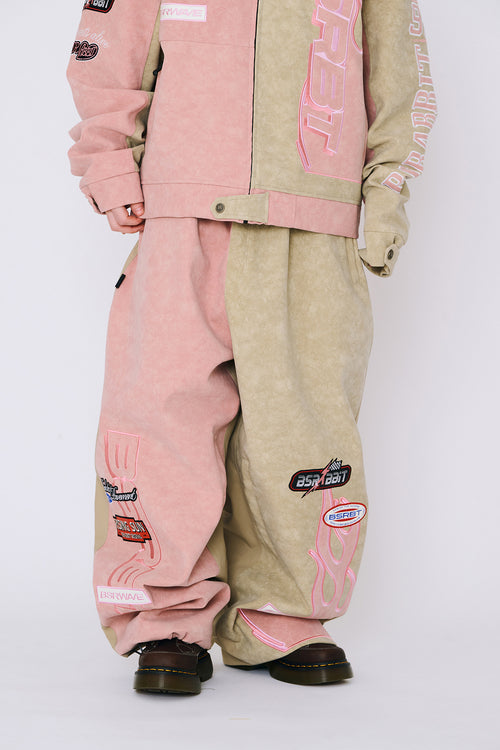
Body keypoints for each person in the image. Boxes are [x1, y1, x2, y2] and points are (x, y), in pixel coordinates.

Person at [66, 0, 436, 695]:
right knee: (160, 418)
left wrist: (385, 197)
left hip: (313, 223)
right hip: (182, 221)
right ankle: (165, 617)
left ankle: (282, 614)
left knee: (306, 429)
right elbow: (109, 51)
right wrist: (110, 167)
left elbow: (400, 81)